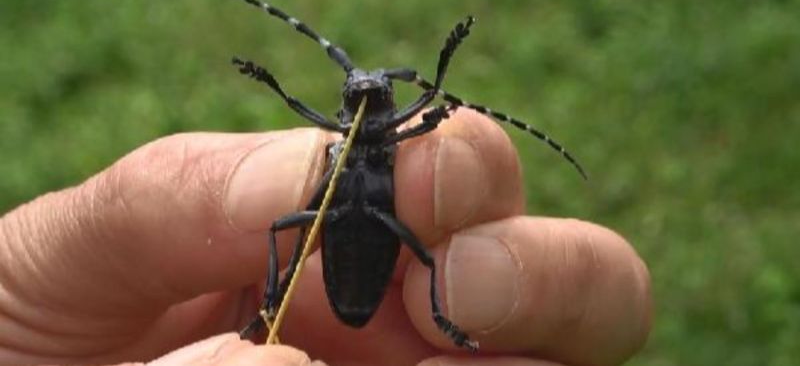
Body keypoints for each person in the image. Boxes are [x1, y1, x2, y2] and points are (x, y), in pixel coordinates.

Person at [0, 110, 651, 366]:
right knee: (288, 222)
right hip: (349, 257)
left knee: (427, 246)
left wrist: (444, 103)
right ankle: (277, 295)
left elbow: (433, 116)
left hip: (364, 261)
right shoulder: (347, 148)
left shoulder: (397, 146)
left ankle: (446, 321)